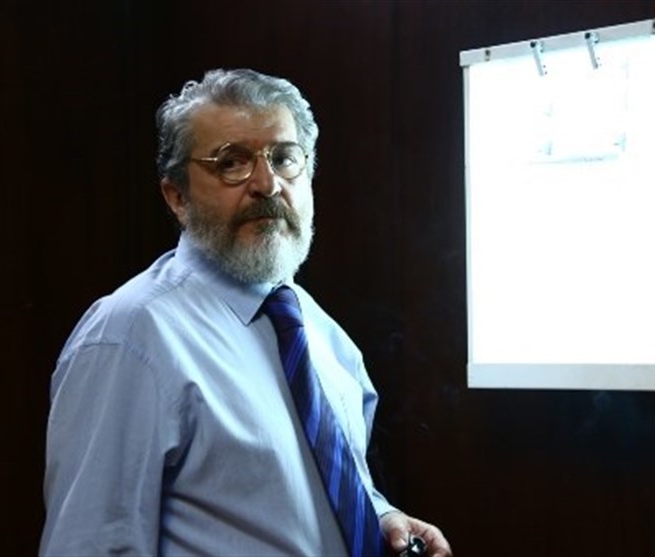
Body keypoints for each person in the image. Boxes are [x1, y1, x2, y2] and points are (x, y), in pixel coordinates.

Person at [39, 68, 452, 557]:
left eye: (284, 158)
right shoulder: (129, 336)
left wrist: (379, 517)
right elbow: (88, 544)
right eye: (231, 163)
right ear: (177, 197)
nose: (267, 184)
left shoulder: (321, 333)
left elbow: (312, 487)